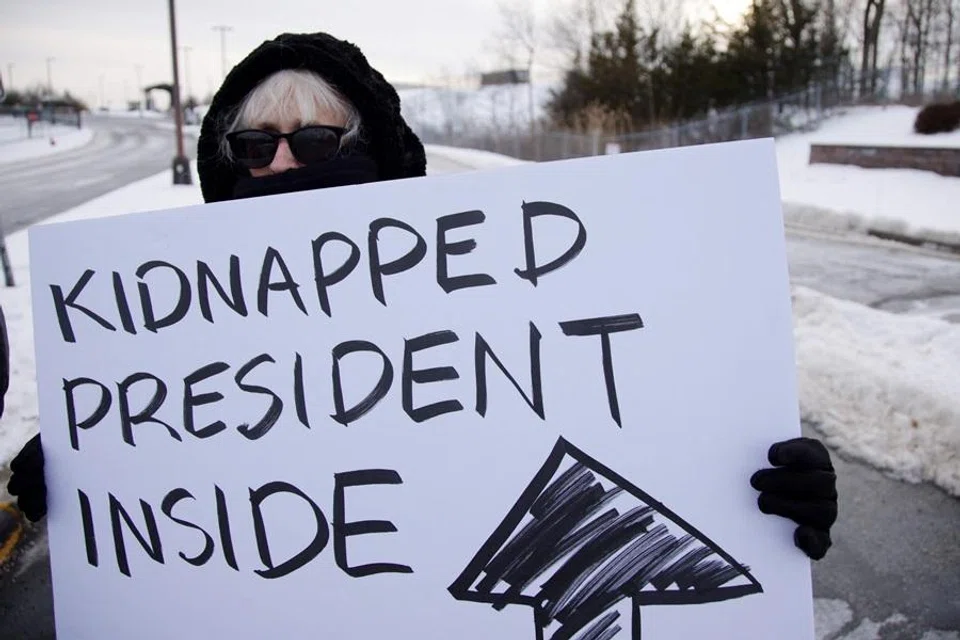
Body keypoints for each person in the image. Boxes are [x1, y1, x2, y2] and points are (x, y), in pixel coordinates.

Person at [5, 32, 837, 562]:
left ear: (369, 150)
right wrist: (83, 469)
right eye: (257, 145)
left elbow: (619, 416)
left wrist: (750, 487)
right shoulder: (178, 326)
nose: (284, 164)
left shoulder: (478, 301)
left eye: (318, 141)